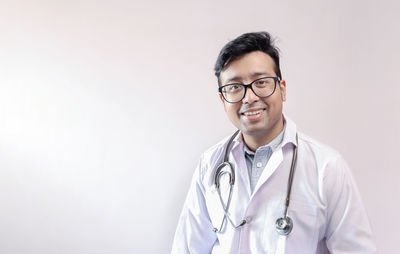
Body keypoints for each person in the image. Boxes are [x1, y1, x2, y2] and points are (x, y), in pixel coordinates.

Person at [171, 32, 377, 254]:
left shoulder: (328, 168)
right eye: (235, 87)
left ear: (282, 89)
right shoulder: (209, 164)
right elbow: (187, 249)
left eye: (261, 82)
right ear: (223, 99)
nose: (249, 98)